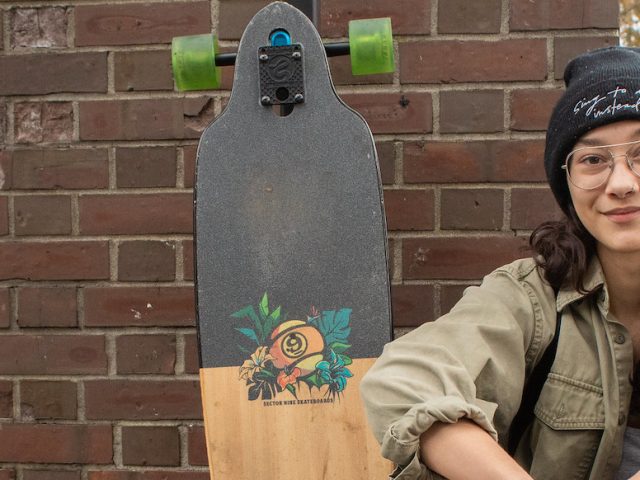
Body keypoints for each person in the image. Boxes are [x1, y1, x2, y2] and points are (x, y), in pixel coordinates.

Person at [360, 46, 640, 480]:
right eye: (593, 160)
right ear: (567, 184)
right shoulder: (532, 297)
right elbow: (401, 382)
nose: (621, 183)